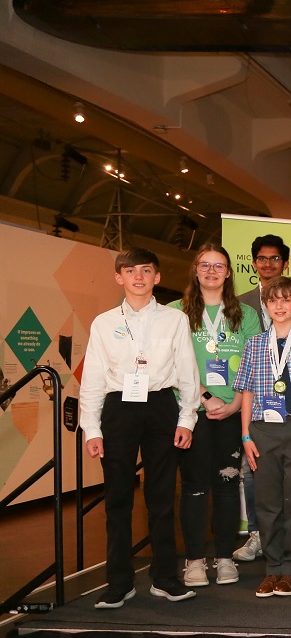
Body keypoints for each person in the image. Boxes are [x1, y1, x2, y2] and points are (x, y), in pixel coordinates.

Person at [81, 248, 201, 608]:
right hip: (119, 408)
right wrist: (91, 428)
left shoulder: (174, 320)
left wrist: (187, 419)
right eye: (130, 271)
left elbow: (187, 372)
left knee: (161, 497)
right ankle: (119, 582)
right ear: (119, 278)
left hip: (162, 405)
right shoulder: (103, 323)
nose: (138, 277)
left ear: (157, 277)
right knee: (117, 498)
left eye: (146, 270)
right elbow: (92, 379)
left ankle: (165, 578)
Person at [171, 244, 261, 588]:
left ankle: (224, 558)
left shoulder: (246, 315)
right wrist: (204, 398)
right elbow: (173, 364)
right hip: (190, 412)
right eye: (205, 265)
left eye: (219, 266)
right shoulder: (176, 312)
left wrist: (238, 402)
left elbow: (254, 363)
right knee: (193, 486)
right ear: (195, 270)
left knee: (226, 485)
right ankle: (194, 560)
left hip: (232, 411)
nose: (211, 271)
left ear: (228, 272)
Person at [234, 276, 291, 598]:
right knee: (267, 504)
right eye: (273, 300)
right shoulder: (255, 344)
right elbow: (246, 392)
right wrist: (246, 435)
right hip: (262, 431)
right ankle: (272, 567)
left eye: (286, 300)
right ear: (265, 304)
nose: (279, 305)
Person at [234, 234, 291, 564]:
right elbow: (246, 382)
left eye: (274, 259)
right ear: (253, 264)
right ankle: (258, 536)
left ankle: (290, 556)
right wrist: (246, 429)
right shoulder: (240, 303)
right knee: (256, 482)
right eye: (262, 259)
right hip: (260, 417)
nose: (268, 264)